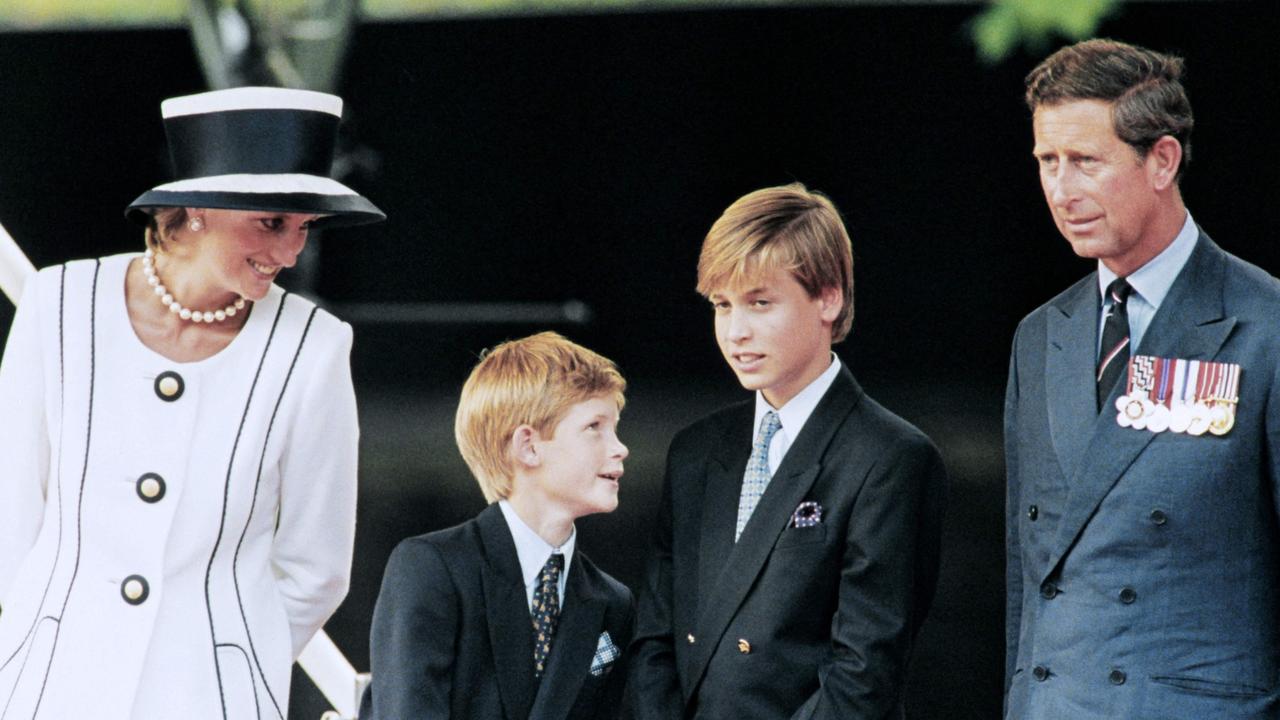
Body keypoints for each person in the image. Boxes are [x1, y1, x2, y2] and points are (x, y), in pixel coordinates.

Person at [0, 86, 383, 719]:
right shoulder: (57, 304)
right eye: (272, 222)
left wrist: (227, 662)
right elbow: (10, 513)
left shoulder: (314, 348)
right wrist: (51, 640)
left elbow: (316, 567)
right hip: (50, 690)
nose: (291, 254)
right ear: (199, 208)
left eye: (304, 228)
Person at [1005, 38, 1280, 718]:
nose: (1062, 190)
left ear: (1163, 160)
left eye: (1086, 162)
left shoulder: (1266, 325)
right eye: (1048, 161)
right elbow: (1027, 576)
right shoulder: (1042, 335)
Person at [628, 183, 947, 719]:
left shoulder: (890, 458)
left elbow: (863, 677)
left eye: (759, 303)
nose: (736, 332)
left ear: (829, 298)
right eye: (722, 305)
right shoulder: (695, 452)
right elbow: (656, 642)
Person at [360, 331, 635, 720]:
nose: (619, 447)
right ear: (528, 446)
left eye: (615, 427)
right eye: (595, 427)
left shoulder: (612, 601)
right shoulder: (432, 569)